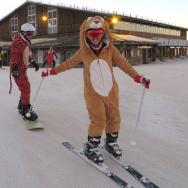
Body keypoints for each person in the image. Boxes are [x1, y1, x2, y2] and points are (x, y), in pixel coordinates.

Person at [41, 16, 150, 164]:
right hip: (93, 93)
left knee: (114, 117)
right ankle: (91, 148)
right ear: (85, 34)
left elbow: (124, 64)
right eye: (91, 34)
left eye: (98, 34)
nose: (95, 38)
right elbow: (68, 64)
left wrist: (138, 78)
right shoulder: (83, 52)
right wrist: (51, 71)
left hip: (111, 90)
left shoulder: (110, 49)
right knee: (98, 120)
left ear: (104, 33)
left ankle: (110, 143)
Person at [9, 23, 39, 121]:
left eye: (32, 34)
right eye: (29, 33)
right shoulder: (18, 41)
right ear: (23, 32)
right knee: (26, 88)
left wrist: (33, 62)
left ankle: (22, 105)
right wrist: (14, 67)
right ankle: (25, 109)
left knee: (24, 87)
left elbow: (27, 54)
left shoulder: (25, 41)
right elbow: (14, 54)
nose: (31, 36)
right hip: (17, 69)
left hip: (22, 69)